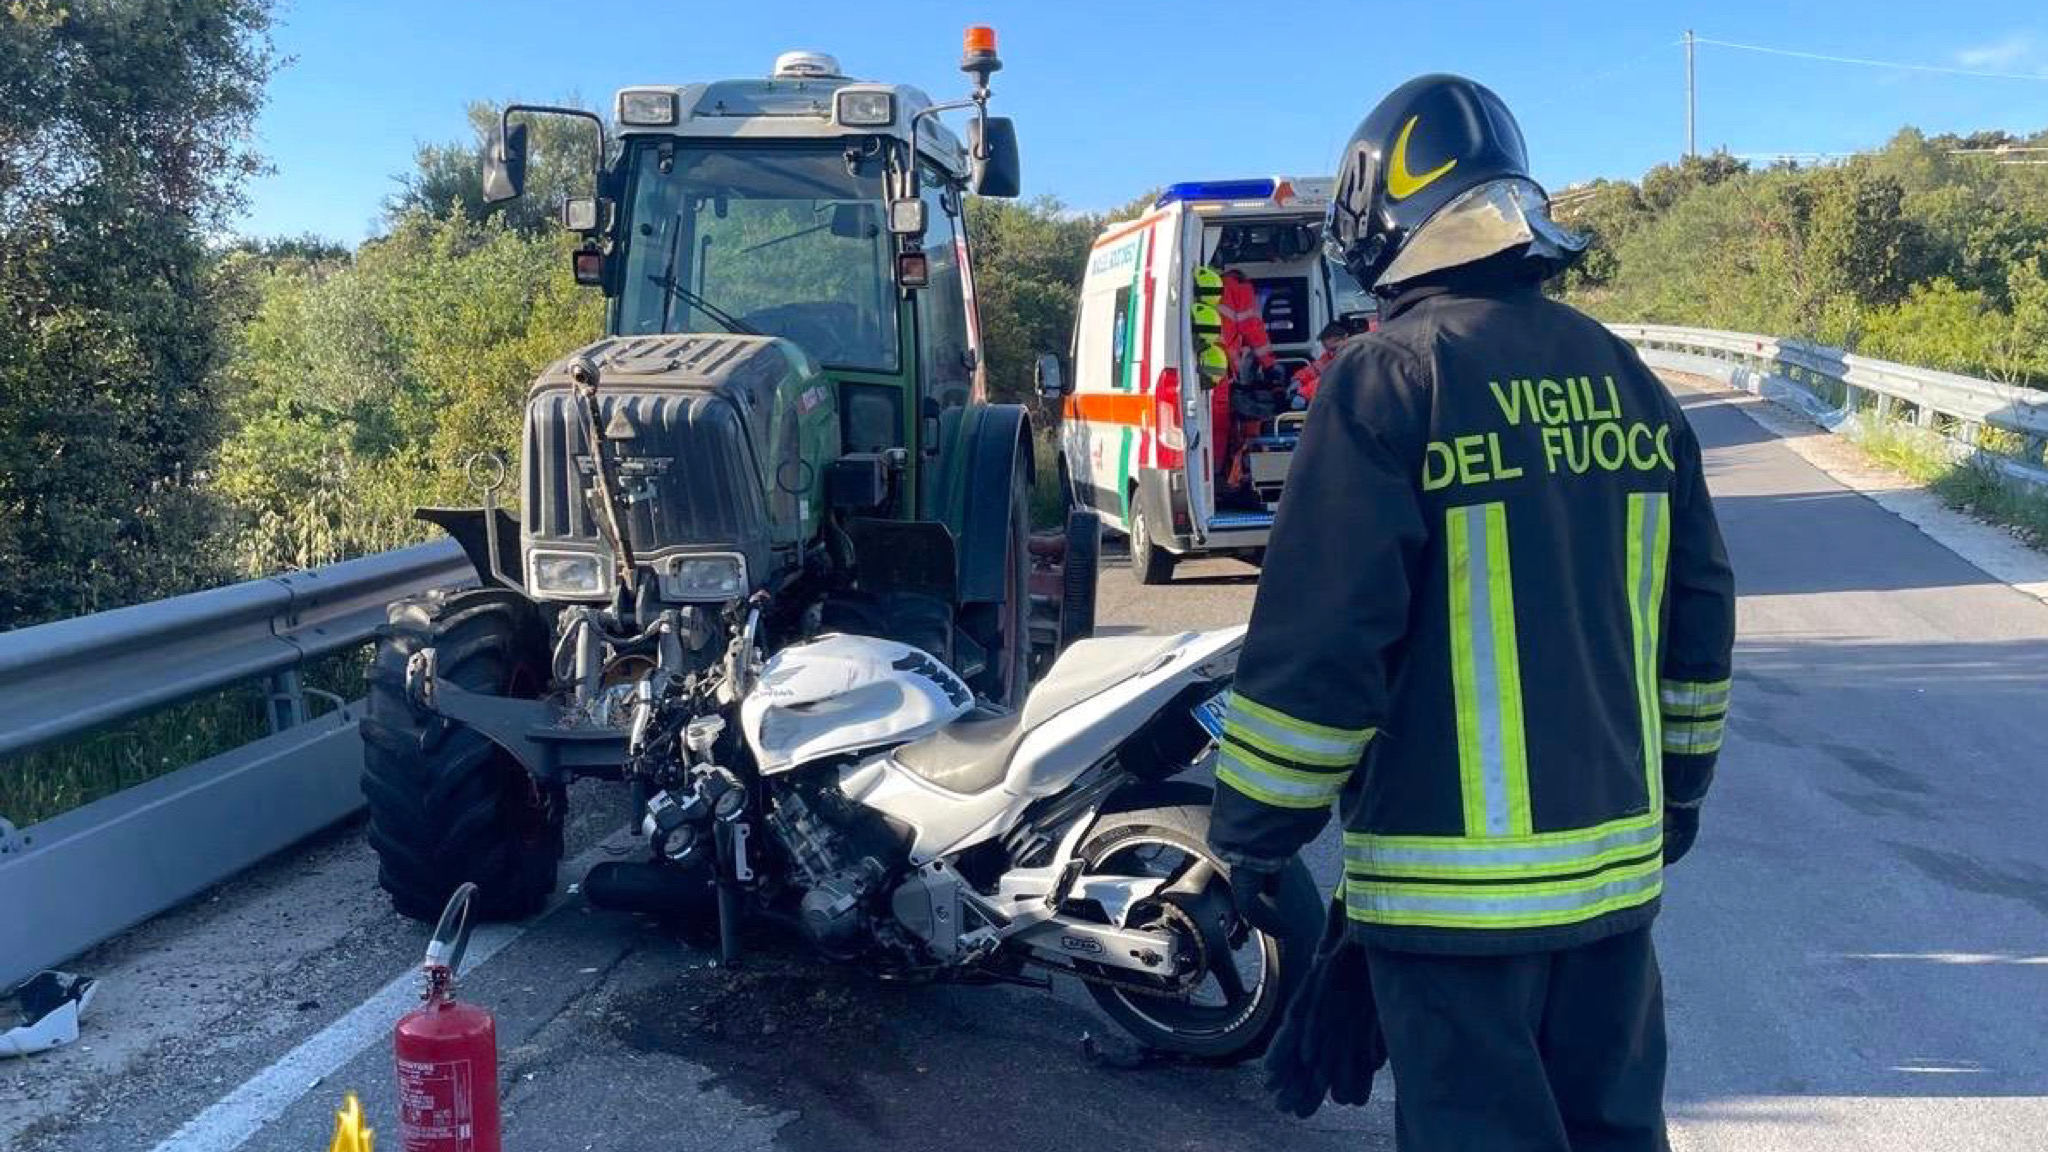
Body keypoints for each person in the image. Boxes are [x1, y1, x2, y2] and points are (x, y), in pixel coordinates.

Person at [1208, 73, 1736, 1150]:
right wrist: (1674, 803)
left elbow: (1320, 651)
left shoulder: (1386, 379)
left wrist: (1252, 840)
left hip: (1450, 919)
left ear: (1382, 228)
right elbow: (1697, 623)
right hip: (1611, 902)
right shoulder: (1624, 378)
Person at [1289, 322, 1350, 407]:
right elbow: (1314, 369)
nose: (1331, 353)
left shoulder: (1352, 359)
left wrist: (1304, 394)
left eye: (1334, 349)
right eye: (1327, 349)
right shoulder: (1329, 357)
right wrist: (1299, 379)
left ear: (1345, 339)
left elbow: (1329, 381)